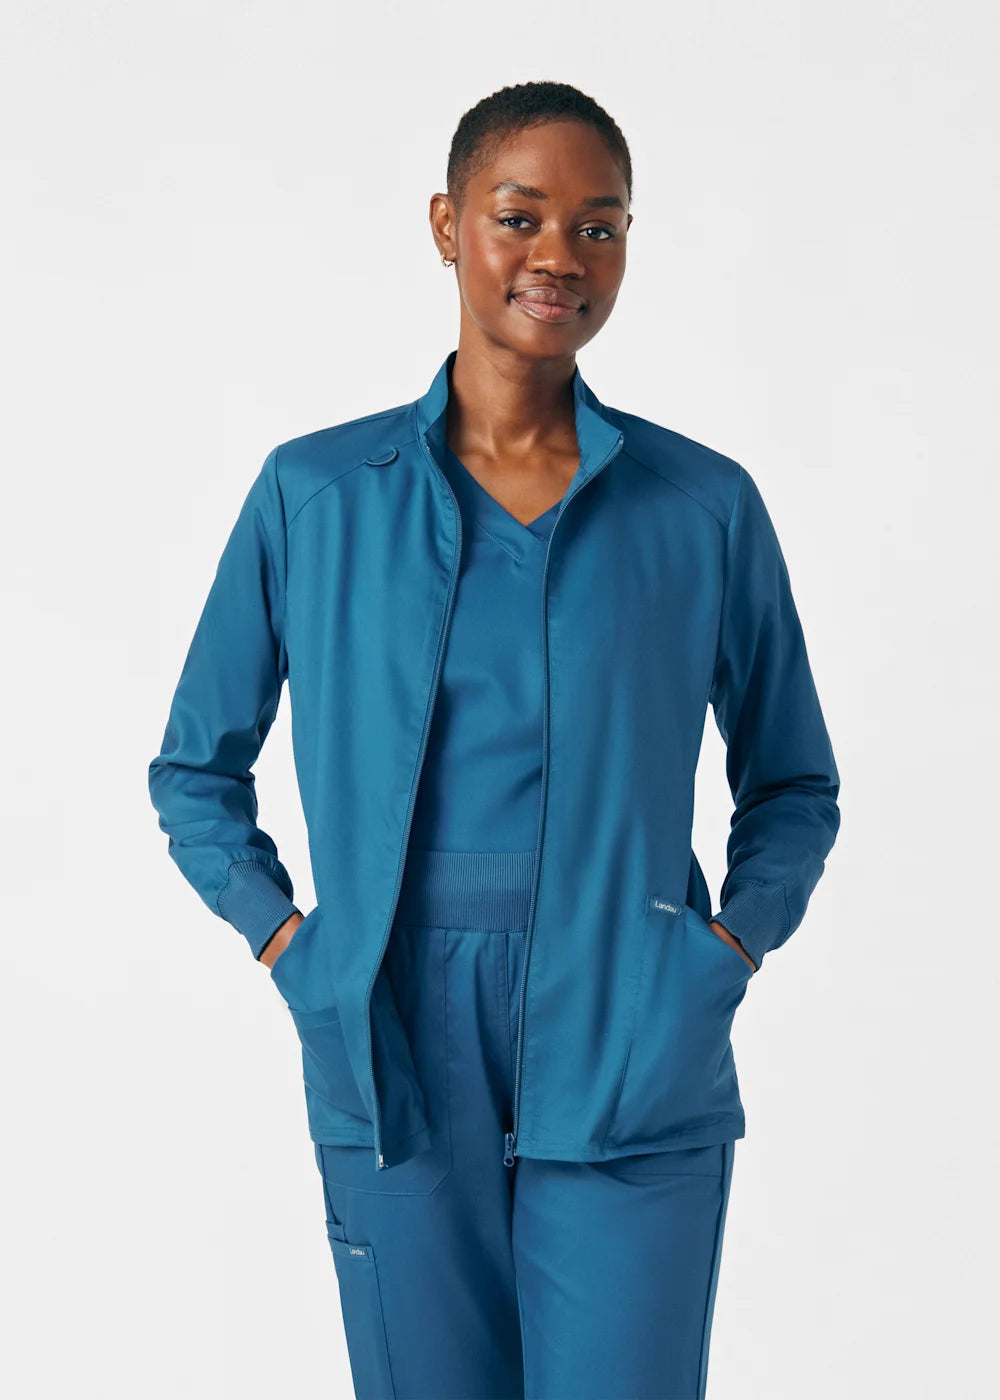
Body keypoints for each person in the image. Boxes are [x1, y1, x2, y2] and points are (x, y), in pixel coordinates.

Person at [148, 80, 841, 1400]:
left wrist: (724, 952)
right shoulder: (315, 495)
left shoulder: (700, 508)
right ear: (446, 224)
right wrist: (294, 946)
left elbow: (794, 781)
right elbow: (194, 768)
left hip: (633, 1024)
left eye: (599, 227)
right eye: (520, 216)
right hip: (395, 1030)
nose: (558, 256)